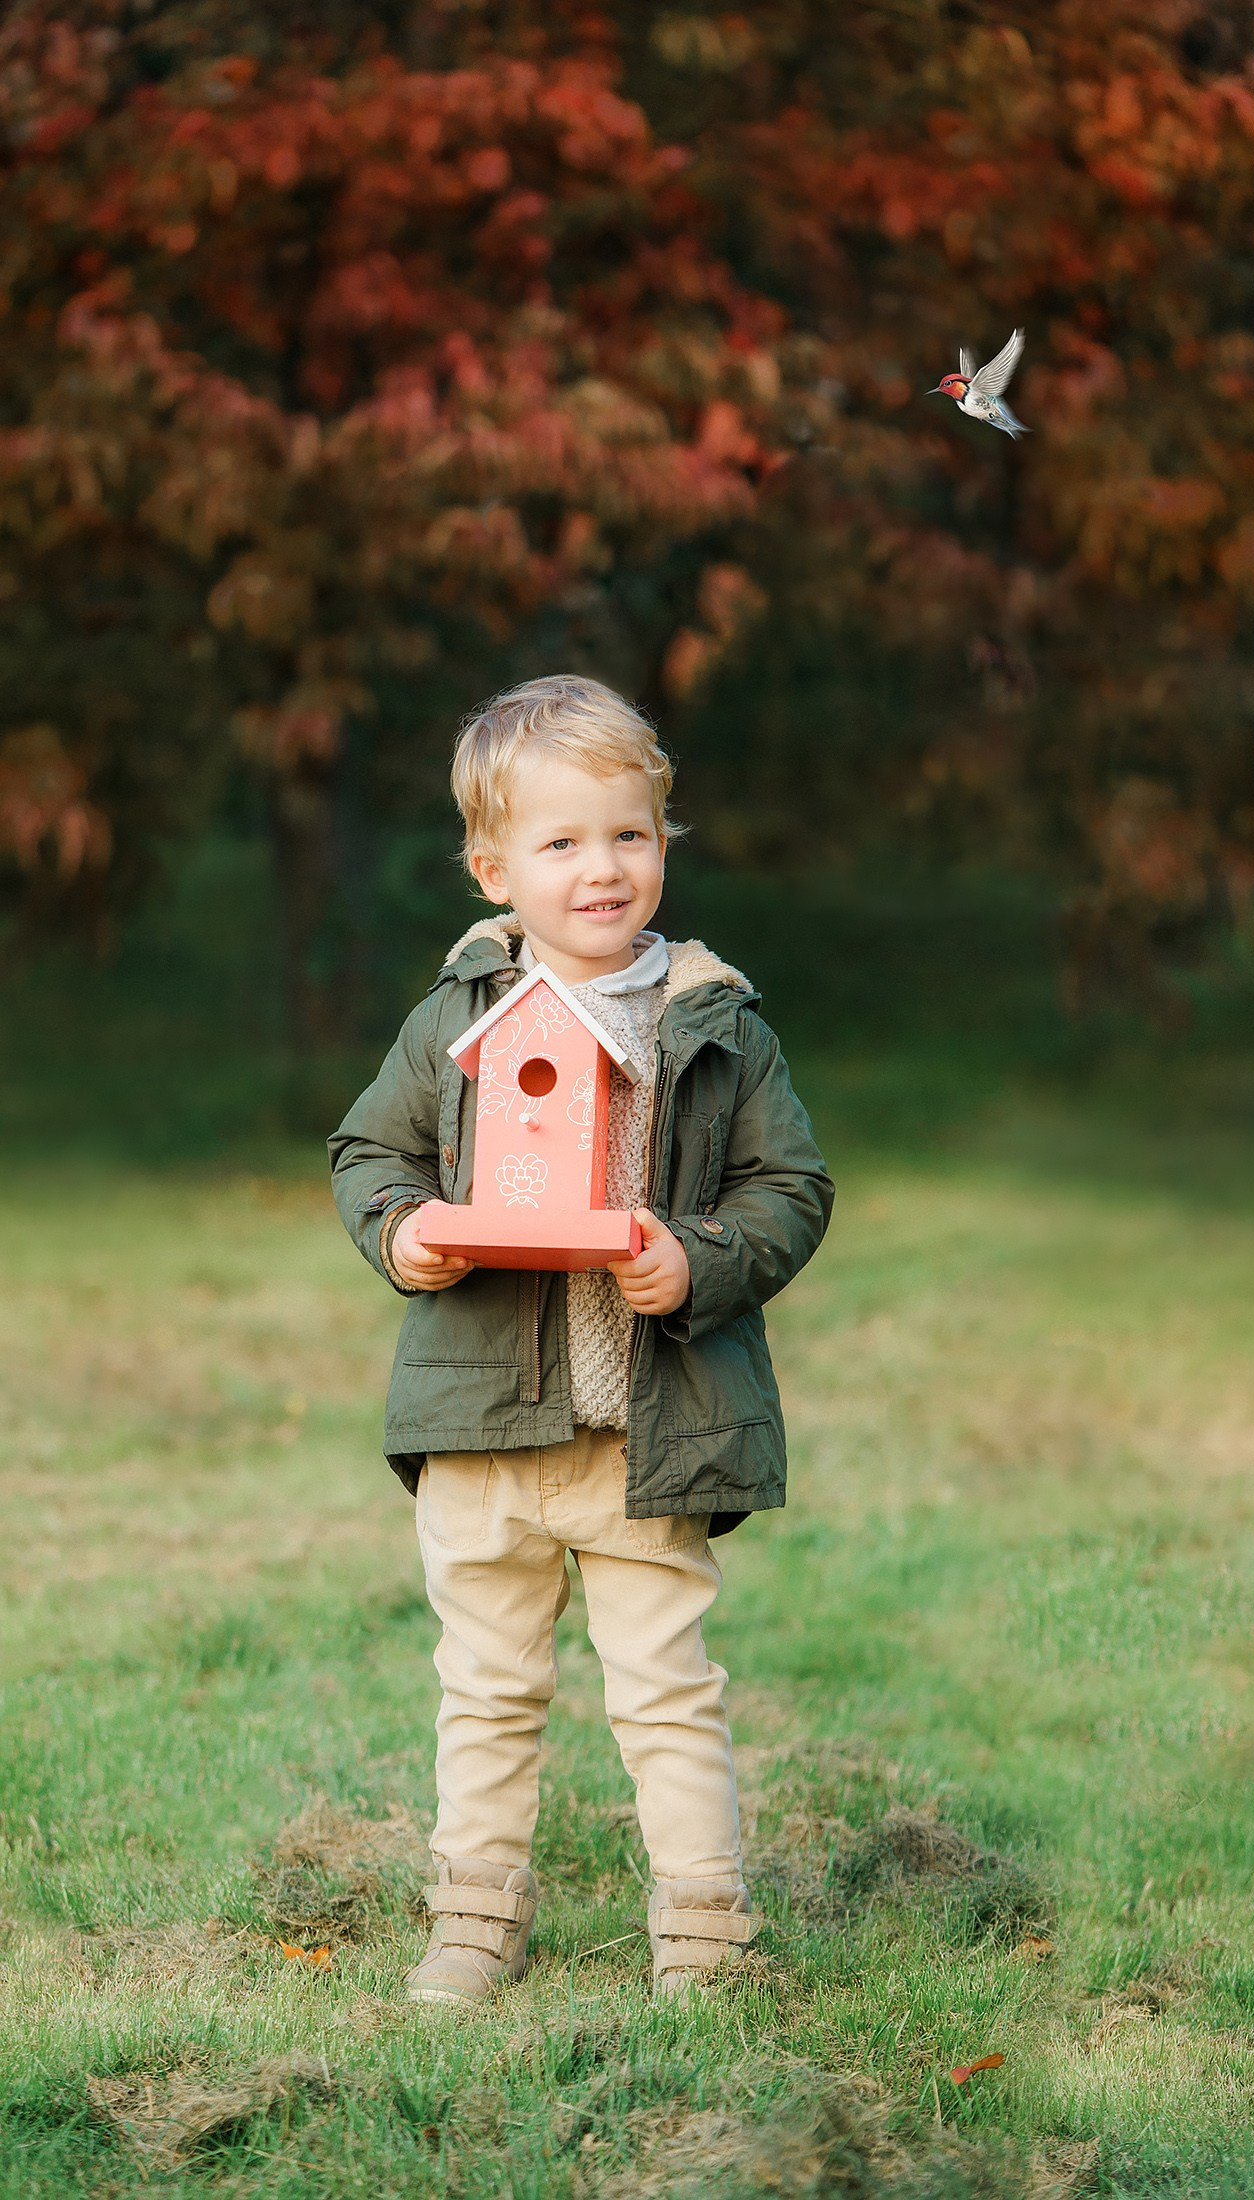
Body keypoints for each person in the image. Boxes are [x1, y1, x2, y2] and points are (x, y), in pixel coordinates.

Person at [329, 674, 834, 2005]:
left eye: (629, 834)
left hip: (648, 1432)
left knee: (666, 1690)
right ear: (495, 866)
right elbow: (368, 1153)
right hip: (481, 1427)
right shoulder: (458, 1017)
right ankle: (475, 1918)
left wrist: (703, 1258)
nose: (601, 869)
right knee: (487, 1688)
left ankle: (706, 1936)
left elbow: (793, 1192)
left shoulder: (716, 1020)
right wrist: (404, 1232)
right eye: (561, 843)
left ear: (666, 842)